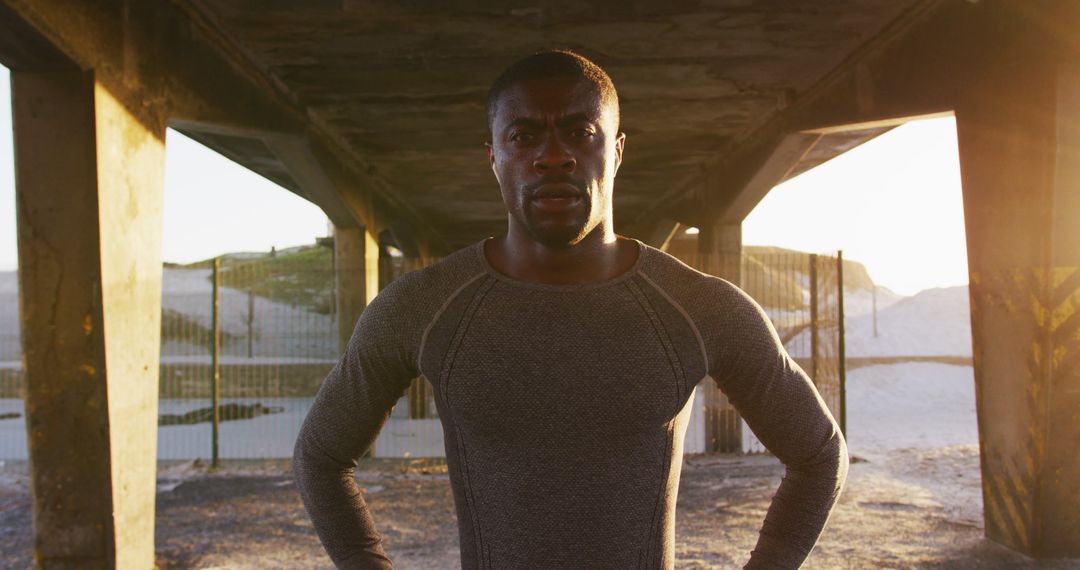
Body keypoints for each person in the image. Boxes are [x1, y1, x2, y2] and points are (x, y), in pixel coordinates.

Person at [294, 50, 848, 570]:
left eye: (581, 133)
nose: (553, 155)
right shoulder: (423, 306)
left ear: (618, 151)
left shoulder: (701, 307)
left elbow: (820, 456)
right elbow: (320, 457)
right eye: (524, 135)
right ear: (494, 157)